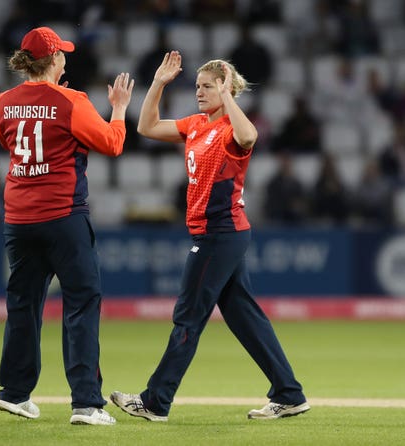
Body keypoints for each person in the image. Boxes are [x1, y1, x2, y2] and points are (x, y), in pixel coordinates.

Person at [110, 51, 309, 421]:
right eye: (198, 86)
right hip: (219, 234)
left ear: (225, 88)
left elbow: (250, 136)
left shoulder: (233, 129)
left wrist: (228, 94)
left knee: (187, 318)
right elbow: (147, 127)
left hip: (218, 234)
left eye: (208, 87)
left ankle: (155, 401)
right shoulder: (197, 124)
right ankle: (289, 392)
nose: (199, 92)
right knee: (244, 317)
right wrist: (158, 83)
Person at [0, 26, 134, 426]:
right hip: (63, 217)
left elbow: (11, 142)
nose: (66, 59)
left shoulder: (4, 101)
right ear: (53, 59)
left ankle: (15, 393)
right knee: (81, 303)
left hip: (19, 220)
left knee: (23, 305)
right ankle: (86, 403)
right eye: (62, 55)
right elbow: (111, 143)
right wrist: (120, 108)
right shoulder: (71, 100)